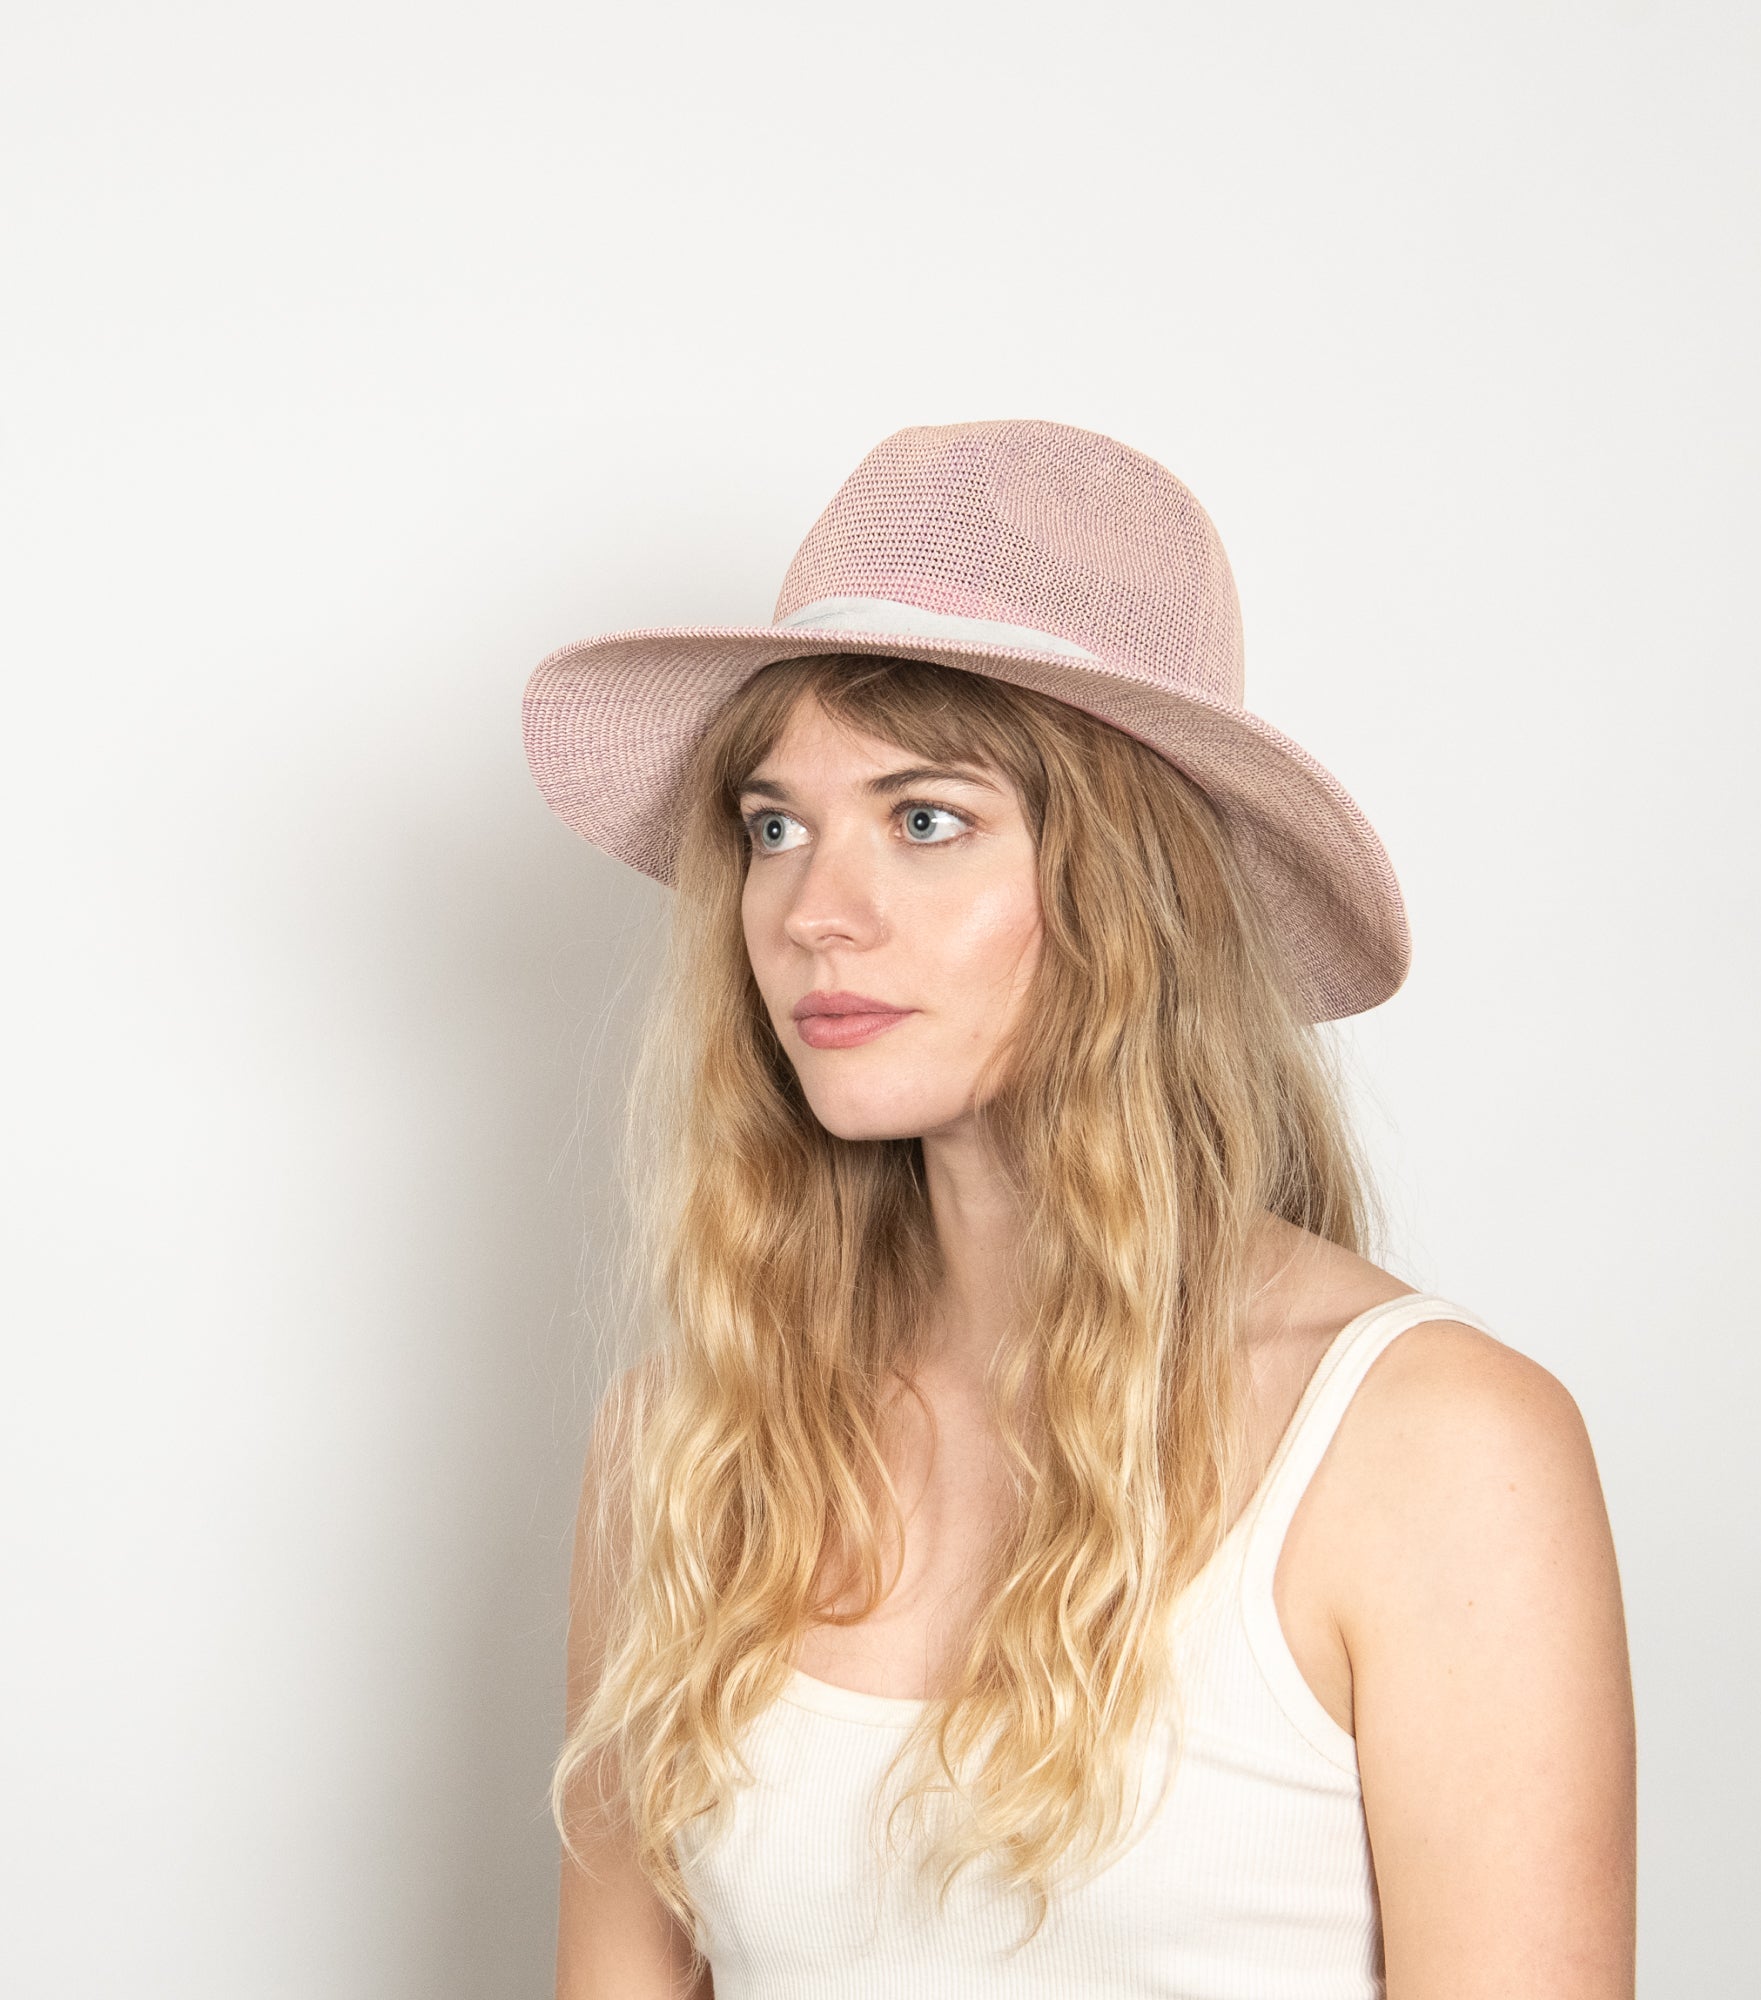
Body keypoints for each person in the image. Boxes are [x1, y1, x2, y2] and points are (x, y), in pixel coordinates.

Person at [524, 420, 1636, 1999]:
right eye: (776, 826)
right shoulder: (690, 1450)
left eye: (924, 820)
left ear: (1135, 893)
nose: (811, 914)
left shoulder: (1429, 1448)